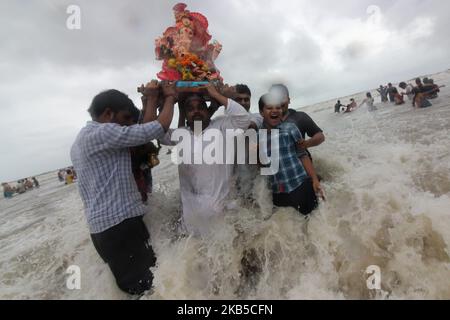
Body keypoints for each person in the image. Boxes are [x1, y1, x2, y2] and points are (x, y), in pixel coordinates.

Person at [70, 81, 175, 295]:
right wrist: (170, 97)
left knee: (137, 288)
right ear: (108, 114)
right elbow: (157, 127)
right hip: (120, 227)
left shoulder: (81, 140)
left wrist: (149, 101)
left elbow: (140, 142)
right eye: (126, 118)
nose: (128, 125)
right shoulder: (104, 133)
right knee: (147, 288)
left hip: (104, 231)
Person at [160, 83, 251, 236]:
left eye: (200, 107)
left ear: (208, 110)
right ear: (185, 113)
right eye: (190, 109)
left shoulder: (222, 126)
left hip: (223, 216)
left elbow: (244, 119)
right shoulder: (180, 135)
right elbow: (154, 131)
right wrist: (167, 100)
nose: (196, 111)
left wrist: (215, 94)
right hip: (192, 221)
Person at [258, 93, 325, 215]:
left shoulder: (291, 128)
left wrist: (314, 179)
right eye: (269, 108)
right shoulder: (258, 138)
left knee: (314, 217)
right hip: (279, 193)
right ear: (261, 112)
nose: (274, 110)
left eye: (278, 108)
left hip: (301, 184)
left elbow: (302, 155)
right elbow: (262, 167)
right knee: (288, 225)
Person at [269, 84, 325, 161]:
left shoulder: (300, 117)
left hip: (303, 164)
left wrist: (306, 144)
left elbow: (320, 136)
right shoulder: (267, 123)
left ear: (288, 100)